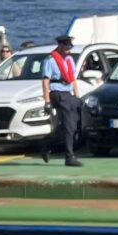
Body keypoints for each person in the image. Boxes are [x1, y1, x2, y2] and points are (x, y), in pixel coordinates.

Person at [42, 33, 83, 166]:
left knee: (66, 125)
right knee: (69, 125)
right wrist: (47, 101)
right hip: (58, 93)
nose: (67, 49)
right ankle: (69, 156)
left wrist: (77, 97)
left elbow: (73, 79)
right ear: (59, 45)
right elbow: (45, 81)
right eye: (65, 46)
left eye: (69, 46)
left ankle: (45, 145)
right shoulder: (51, 60)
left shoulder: (69, 60)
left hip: (68, 93)